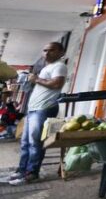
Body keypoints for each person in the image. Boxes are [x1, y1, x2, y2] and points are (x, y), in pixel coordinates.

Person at [8, 42, 67, 185]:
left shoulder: (59, 66)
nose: (47, 53)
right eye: (45, 50)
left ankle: (32, 173)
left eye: (51, 50)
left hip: (44, 108)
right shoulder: (47, 67)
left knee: (35, 143)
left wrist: (36, 79)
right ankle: (22, 171)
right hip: (34, 109)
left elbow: (57, 84)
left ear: (61, 52)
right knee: (25, 142)